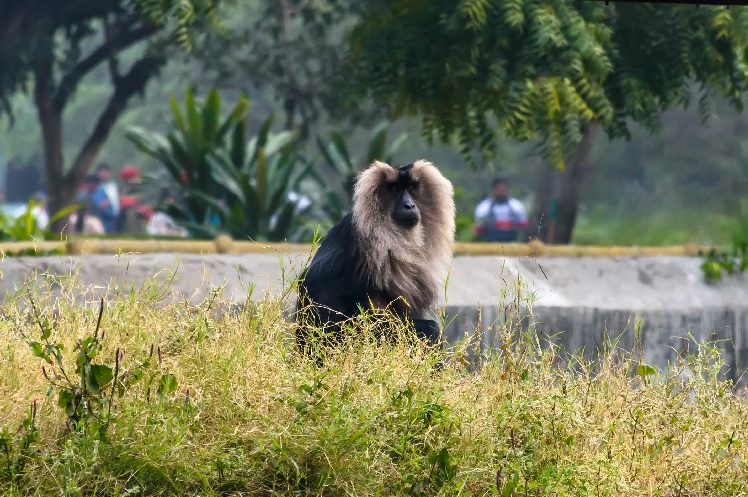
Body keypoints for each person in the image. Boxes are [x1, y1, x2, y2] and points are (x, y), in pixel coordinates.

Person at [473, 175, 528, 242]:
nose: (502, 191)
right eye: (499, 189)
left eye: (504, 189)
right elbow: (478, 229)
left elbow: (524, 226)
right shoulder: (483, 208)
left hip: (512, 244)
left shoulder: (517, 206)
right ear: (494, 189)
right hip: (490, 244)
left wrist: (511, 225)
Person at [91, 162, 120, 232]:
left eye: (105, 171)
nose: (103, 174)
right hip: (102, 218)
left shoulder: (114, 186)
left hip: (116, 218)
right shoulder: (97, 188)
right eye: (101, 171)